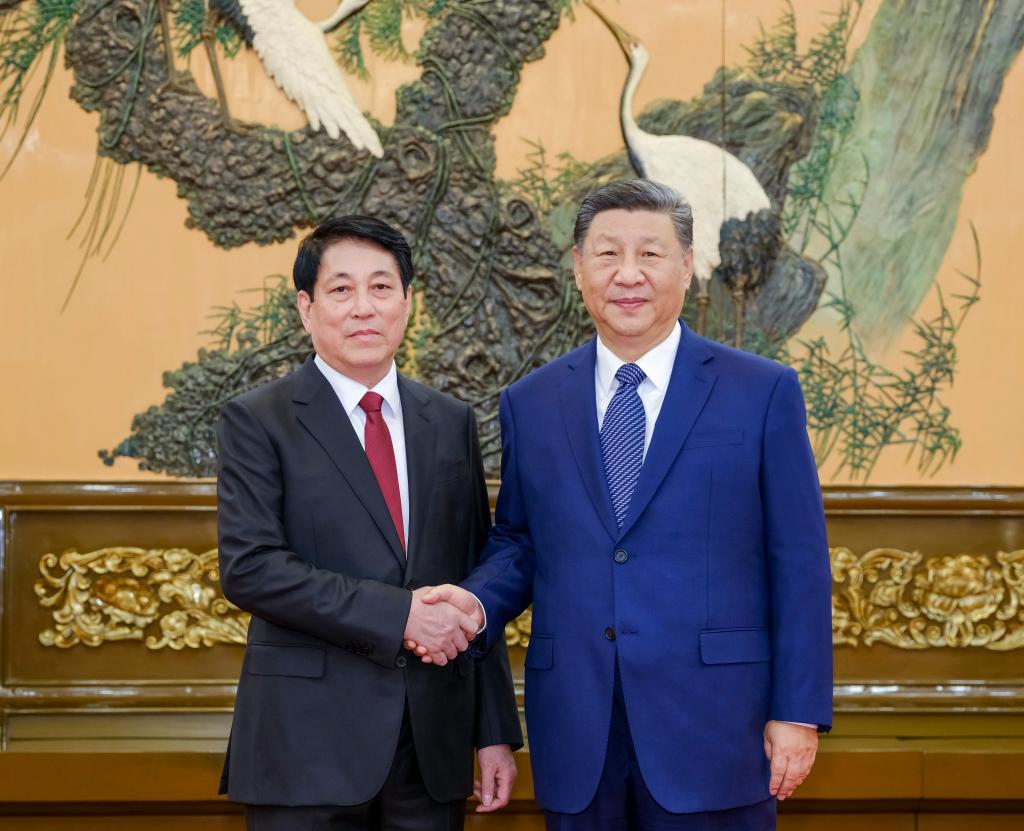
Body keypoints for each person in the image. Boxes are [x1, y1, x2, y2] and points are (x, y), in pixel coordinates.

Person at [412, 180, 833, 830]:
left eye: (651, 254)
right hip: (580, 725)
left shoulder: (762, 391)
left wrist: (797, 711)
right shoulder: (532, 401)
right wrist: (474, 602)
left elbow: (799, 561)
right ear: (579, 269)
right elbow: (521, 542)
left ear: (688, 266)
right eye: (607, 254)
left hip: (720, 726)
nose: (628, 274)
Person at [216, 215, 522, 831]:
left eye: (381, 288)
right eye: (340, 289)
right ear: (306, 308)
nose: (364, 308)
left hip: (431, 746)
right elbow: (251, 569)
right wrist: (400, 614)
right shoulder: (257, 420)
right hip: (306, 746)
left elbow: (473, 576)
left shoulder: (449, 421)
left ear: (407, 303)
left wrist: (492, 733)